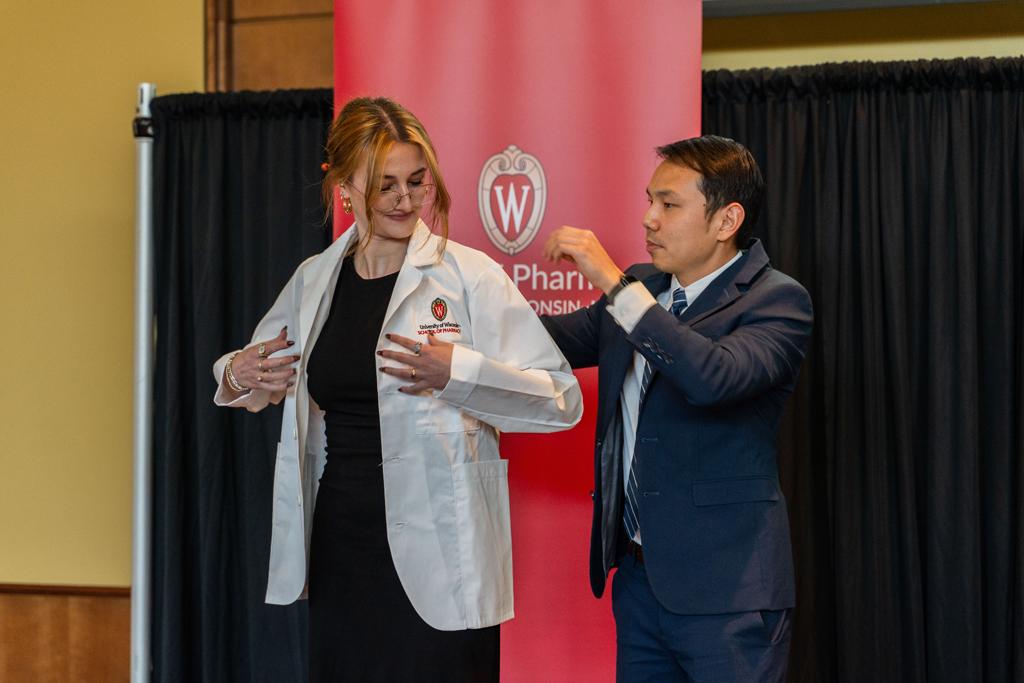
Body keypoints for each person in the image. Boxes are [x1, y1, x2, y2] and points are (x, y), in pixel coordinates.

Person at [212, 96, 582, 682]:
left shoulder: (470, 275)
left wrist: (458, 374)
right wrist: (239, 372)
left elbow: (561, 400)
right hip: (343, 540)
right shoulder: (315, 281)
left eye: (417, 181)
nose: (405, 200)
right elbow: (245, 371)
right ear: (344, 188)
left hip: (445, 545)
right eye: (384, 186)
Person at [539, 135, 812, 683]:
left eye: (669, 204)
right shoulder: (644, 287)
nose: (648, 219)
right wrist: (453, 303)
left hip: (730, 594)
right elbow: (544, 340)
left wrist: (614, 285)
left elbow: (713, 377)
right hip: (640, 587)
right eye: (649, 200)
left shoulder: (777, 301)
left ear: (725, 220)